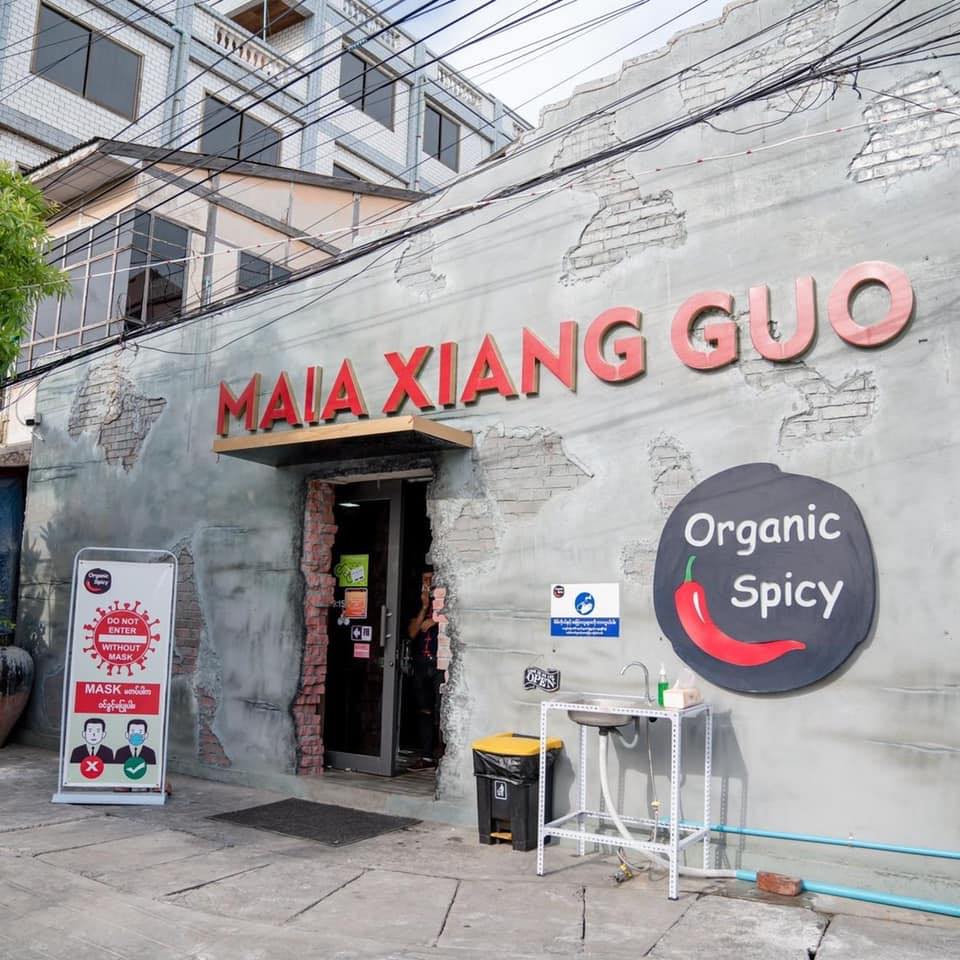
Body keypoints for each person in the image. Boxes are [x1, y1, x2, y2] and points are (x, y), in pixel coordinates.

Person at [406, 568, 439, 770]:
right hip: (421, 662)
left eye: (430, 579)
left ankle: (445, 756)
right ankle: (427, 757)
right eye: (424, 579)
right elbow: (412, 632)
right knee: (424, 709)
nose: (427, 583)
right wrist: (424, 607)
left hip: (439, 663)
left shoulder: (446, 602)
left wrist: (435, 620)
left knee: (442, 709)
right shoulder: (418, 603)